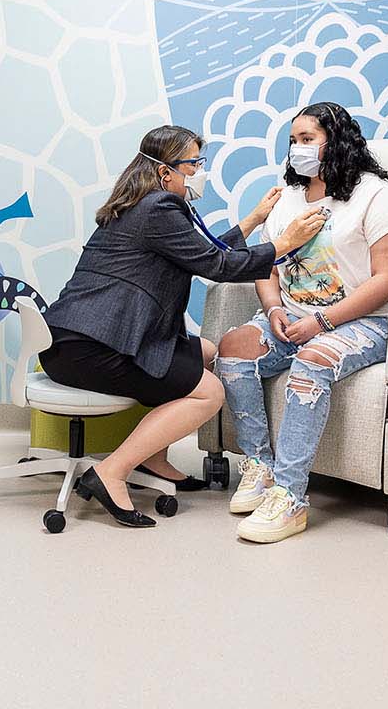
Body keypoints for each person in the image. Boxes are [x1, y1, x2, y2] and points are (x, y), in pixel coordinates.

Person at [40, 125, 327, 528]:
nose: (198, 172)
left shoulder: (141, 203)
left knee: (208, 352)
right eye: (193, 164)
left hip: (76, 338)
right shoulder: (158, 209)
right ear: (164, 173)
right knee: (208, 394)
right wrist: (283, 244)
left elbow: (202, 253)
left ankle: (153, 455)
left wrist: (253, 220)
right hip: (89, 346)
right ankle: (112, 472)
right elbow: (216, 265)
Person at [216, 102, 388, 544]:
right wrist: (273, 310)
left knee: (314, 358)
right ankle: (260, 467)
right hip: (289, 317)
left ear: (336, 141)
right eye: (293, 140)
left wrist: (322, 322)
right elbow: (265, 265)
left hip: (363, 320)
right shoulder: (287, 196)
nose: (297, 148)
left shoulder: (376, 195)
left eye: (307, 139)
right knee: (232, 347)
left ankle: (290, 497)